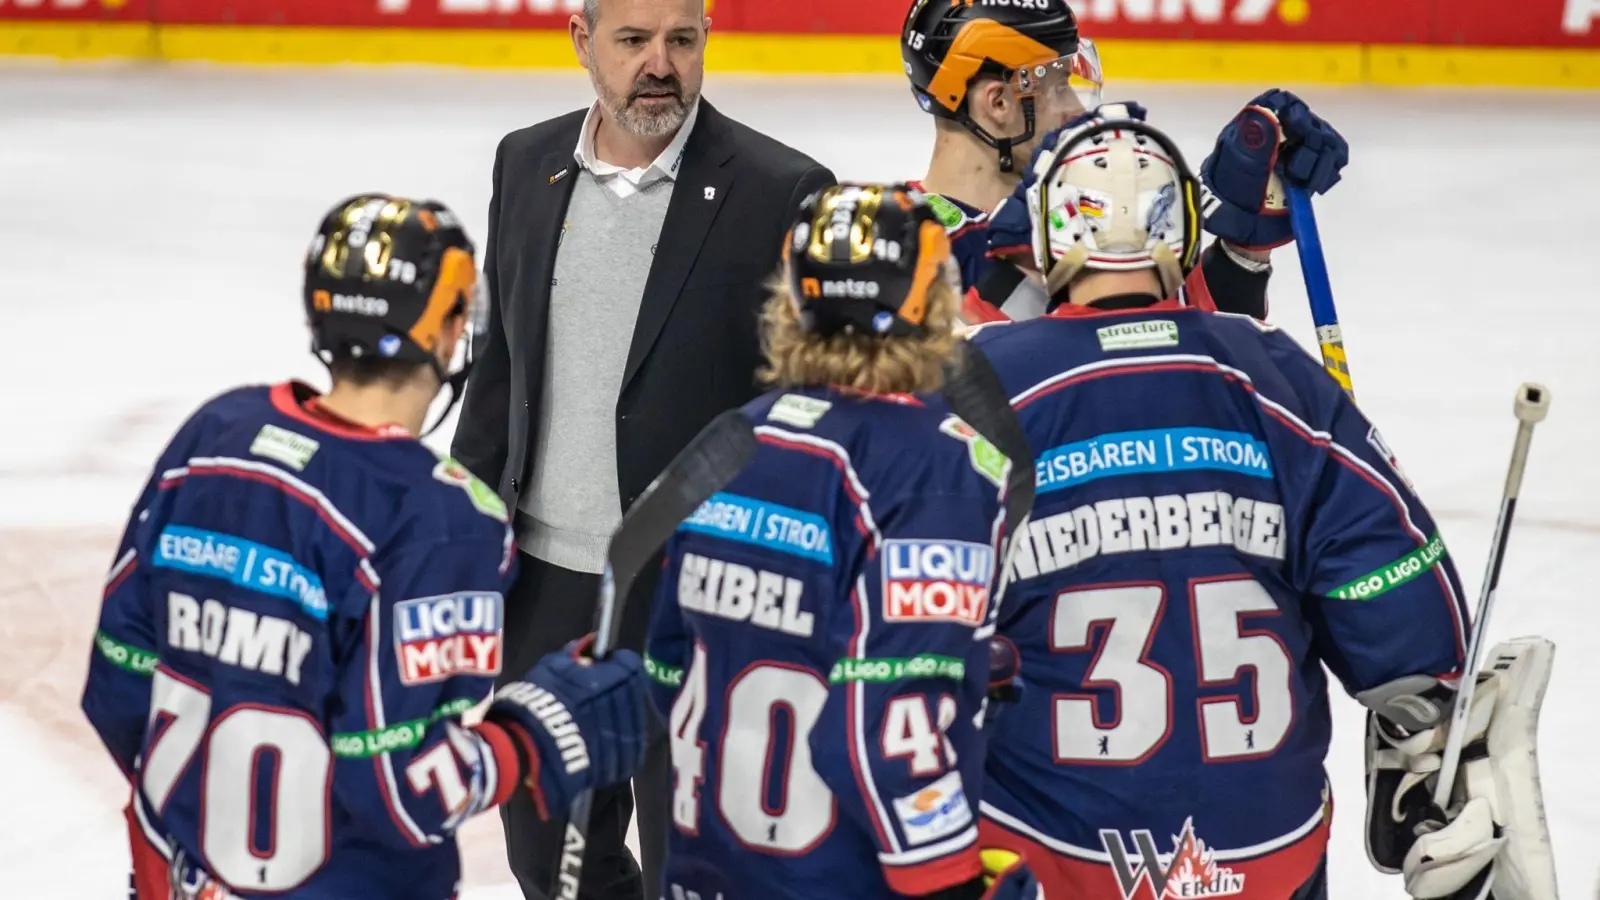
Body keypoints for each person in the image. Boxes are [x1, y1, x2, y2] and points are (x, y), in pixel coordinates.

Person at [961, 112, 1555, 899]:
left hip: (1048, 862)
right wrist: (1422, 735)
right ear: (1180, 238)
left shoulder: (982, 387)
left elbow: (890, 620)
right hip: (1266, 858)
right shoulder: (1274, 376)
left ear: (1048, 243)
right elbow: (1405, 621)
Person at [80, 194, 653, 900]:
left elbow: (117, 685)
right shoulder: (441, 516)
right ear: (449, 329)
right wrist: (531, 738)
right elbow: (396, 791)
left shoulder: (214, 438)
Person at [449, 0, 835, 894]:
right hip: (545, 582)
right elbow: (499, 369)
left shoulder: (782, 189)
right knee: (547, 861)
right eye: (633, 41)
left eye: (681, 41)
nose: (659, 64)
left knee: (687, 861)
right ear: (583, 42)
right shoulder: (526, 161)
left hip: (696, 592)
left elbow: (805, 412)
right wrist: (462, 536)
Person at [642, 184, 1036, 900]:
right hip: (844, 876)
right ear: (932, 303)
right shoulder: (938, 469)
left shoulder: (733, 439)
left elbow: (671, 670)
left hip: (709, 872)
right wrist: (950, 882)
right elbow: (884, 723)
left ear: (794, 302)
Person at [898, 0, 1349, 324]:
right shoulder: (902, 253)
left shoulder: (1094, 214)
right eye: (1057, 88)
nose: (1076, 108)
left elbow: (1194, 361)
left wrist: (1243, 253)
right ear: (998, 103)